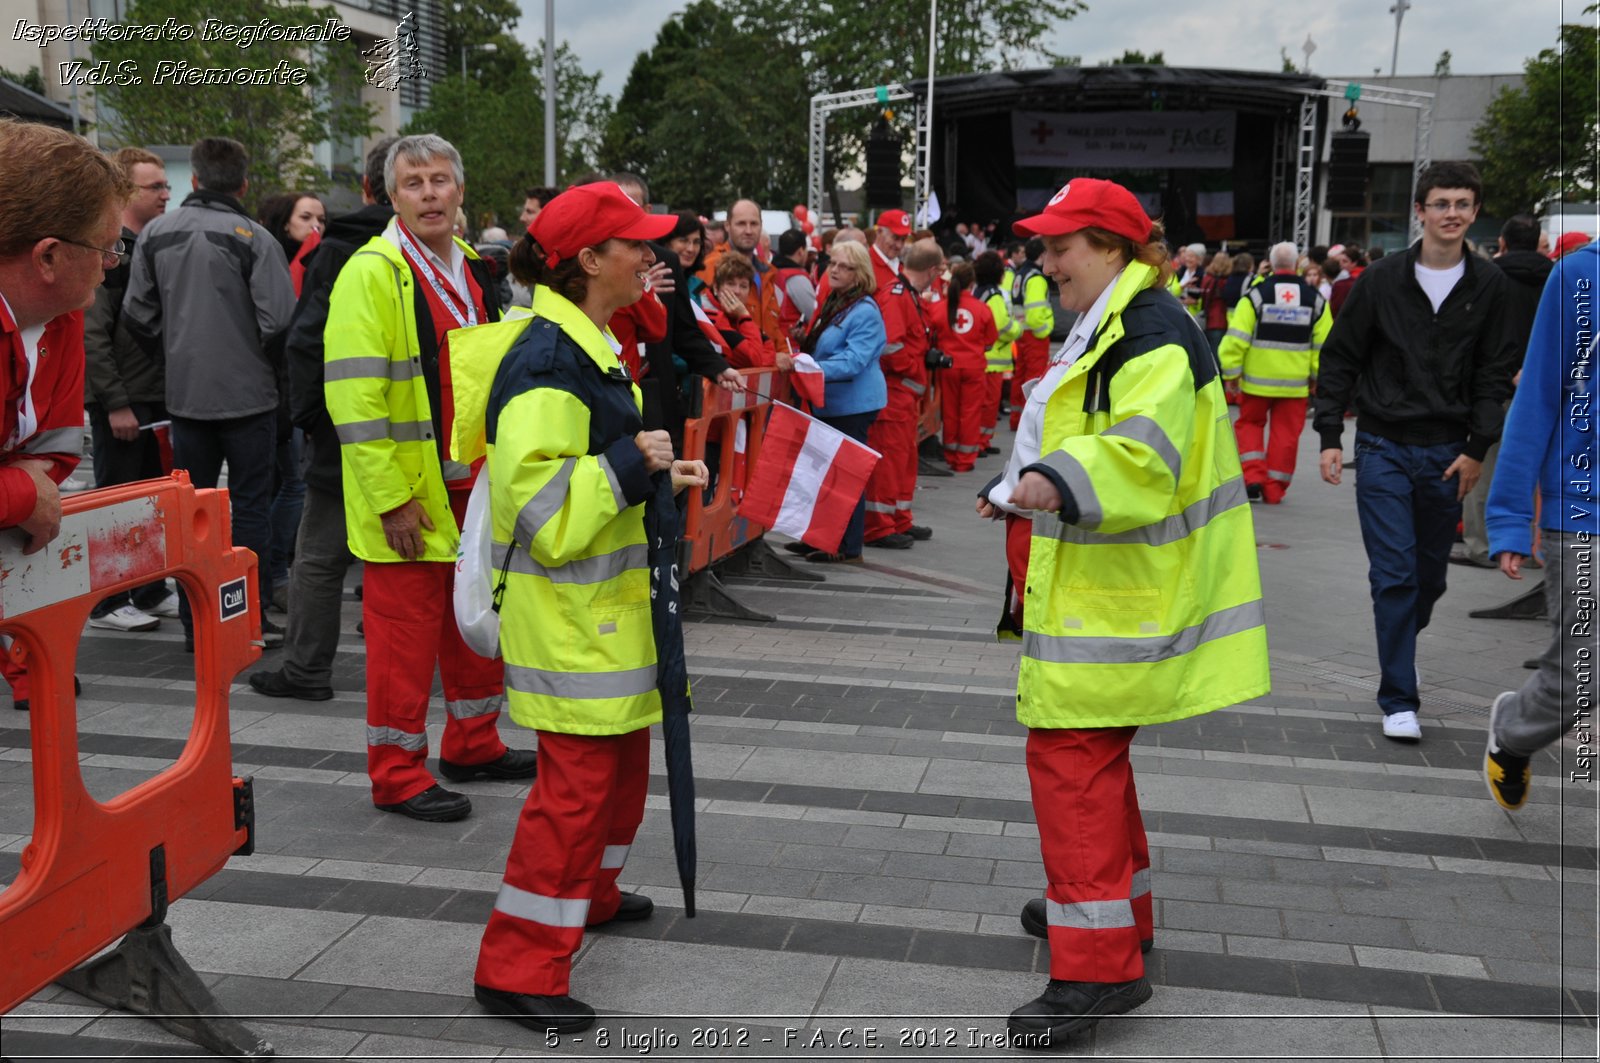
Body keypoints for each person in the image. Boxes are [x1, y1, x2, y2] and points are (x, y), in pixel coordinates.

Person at [975, 177, 1268, 1048]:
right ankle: (1112, 918)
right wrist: (1024, 485)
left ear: (1111, 247)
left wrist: (1049, 481)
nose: (1046, 260)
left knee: (1070, 758)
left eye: (1062, 245)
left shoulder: (1147, 334)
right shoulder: (1125, 319)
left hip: (1124, 597)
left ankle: (1097, 969)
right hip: (1114, 590)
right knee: (1093, 758)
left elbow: (1141, 455)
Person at [451, 181, 708, 1033]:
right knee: (576, 792)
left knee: (616, 777)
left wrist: (656, 475)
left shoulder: (587, 342)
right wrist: (634, 466)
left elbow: (586, 475)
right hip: (572, 622)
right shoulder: (549, 362)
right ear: (589, 260)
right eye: (635, 243)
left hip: (603, 614)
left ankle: (588, 894)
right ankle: (518, 963)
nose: (653, 255)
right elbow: (542, 513)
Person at [324, 134, 535, 822]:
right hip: (410, 493)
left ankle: (473, 740)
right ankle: (396, 772)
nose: (429, 193)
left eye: (440, 180)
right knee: (403, 642)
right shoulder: (372, 272)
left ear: (461, 191)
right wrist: (391, 498)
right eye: (413, 183)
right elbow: (355, 401)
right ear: (391, 196)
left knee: (475, 620)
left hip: (472, 485)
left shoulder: (475, 268)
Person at [1314, 161, 1521, 742]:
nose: (1451, 213)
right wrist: (1331, 436)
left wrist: (1479, 447)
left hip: (1450, 454)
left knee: (1430, 580)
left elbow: (1494, 371)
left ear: (1475, 212)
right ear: (1420, 211)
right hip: (1381, 446)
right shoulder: (1380, 282)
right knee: (1395, 576)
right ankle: (1398, 695)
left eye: (1462, 203)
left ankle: (1400, 645)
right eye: (1440, 203)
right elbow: (1341, 358)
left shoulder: (1491, 286)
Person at [123, 136, 296, 651]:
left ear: (193, 181)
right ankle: (250, 619)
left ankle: (196, 626)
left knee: (191, 514)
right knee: (250, 510)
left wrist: (174, 358)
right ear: (242, 183)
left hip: (186, 400)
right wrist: (257, 366)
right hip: (251, 401)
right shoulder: (255, 238)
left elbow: (137, 315)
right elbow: (280, 321)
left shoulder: (155, 234)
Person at [248, 137, 396, 703]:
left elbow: (307, 339)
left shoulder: (335, 249)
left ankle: (307, 669)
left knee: (320, 554)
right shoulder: (441, 250)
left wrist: (309, 415)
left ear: (365, 186)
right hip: (421, 433)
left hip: (345, 430)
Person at [0, 120, 132, 712]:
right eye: (107, 247)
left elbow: (52, 448)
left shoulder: (63, 312)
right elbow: (32, 488)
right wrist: (21, 498)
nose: (112, 264)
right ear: (48, 256)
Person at [1481, 238, 1599, 809]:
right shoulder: (1579, 276)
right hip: (1582, 508)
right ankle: (1514, 732)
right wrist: (1505, 517)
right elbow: (1538, 400)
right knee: (1584, 672)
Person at [84, 146, 179, 633]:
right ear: (126, 190)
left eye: (165, 185)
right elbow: (92, 332)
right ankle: (105, 601)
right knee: (114, 501)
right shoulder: (110, 249)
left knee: (149, 500)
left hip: (154, 397)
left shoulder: (149, 245)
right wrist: (115, 403)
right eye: (154, 186)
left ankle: (147, 588)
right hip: (124, 402)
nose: (166, 193)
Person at [1455, 213, 1552, 568]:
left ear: (1503, 243)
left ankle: (1482, 546)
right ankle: (1528, 545)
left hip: (1493, 387)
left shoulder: (1487, 279)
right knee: (1534, 472)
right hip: (1544, 388)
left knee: (1483, 465)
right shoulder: (1558, 278)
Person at [257, 191, 327, 611]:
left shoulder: (319, 261)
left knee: (289, 482)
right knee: (290, 483)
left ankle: (277, 568)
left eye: (320, 218)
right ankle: (276, 570)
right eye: (306, 217)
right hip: (274, 391)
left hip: (293, 390)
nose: (315, 226)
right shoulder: (276, 263)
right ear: (286, 223)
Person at [1219, 241, 1331, 504]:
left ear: (1270, 262)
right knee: (1286, 436)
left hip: (1256, 383)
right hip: (1294, 385)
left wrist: (1231, 375)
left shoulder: (1256, 296)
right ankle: (1274, 489)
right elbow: (1323, 346)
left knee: (1249, 425)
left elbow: (1236, 339)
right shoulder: (1316, 300)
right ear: (1297, 264)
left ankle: (1254, 477)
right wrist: (1317, 378)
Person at [796, 239, 886, 563]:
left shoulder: (864, 310)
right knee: (827, 475)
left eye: (844, 266)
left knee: (845, 476)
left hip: (853, 403)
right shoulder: (838, 300)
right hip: (832, 401)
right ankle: (821, 539)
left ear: (859, 273)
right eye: (832, 263)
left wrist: (807, 366)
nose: (834, 269)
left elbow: (853, 361)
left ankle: (847, 548)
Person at [863, 216, 932, 548]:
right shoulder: (884, 276)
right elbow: (889, 344)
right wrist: (912, 369)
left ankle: (898, 519)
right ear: (879, 232)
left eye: (904, 238)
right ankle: (880, 525)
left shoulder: (892, 274)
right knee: (889, 459)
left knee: (903, 457)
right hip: (894, 387)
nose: (899, 243)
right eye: (895, 236)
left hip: (903, 391)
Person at [936, 260, 997, 471]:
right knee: (970, 412)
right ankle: (965, 459)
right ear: (972, 282)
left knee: (950, 411)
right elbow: (990, 341)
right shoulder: (982, 309)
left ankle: (951, 453)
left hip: (948, 368)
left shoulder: (939, 307)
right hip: (974, 367)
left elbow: (933, 335)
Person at [699, 199, 781, 344]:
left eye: (754, 224)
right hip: (734, 362)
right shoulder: (711, 266)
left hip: (766, 361)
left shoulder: (767, 271)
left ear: (761, 226)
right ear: (727, 226)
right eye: (741, 224)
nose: (748, 231)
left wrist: (783, 353)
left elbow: (775, 327)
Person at [973, 250, 1022, 455]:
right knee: (988, 404)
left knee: (982, 404)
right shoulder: (994, 295)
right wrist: (1017, 329)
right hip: (993, 360)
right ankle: (981, 441)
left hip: (985, 358)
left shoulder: (979, 291)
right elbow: (1001, 325)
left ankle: (981, 440)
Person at [1009, 236, 1055, 430]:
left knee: (1020, 376)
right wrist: (1045, 330)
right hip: (1035, 336)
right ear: (1042, 254)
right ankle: (1028, 422)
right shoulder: (1036, 278)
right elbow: (1035, 315)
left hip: (1022, 335)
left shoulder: (1020, 274)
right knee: (1033, 379)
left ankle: (1016, 419)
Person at [701, 253, 775, 368]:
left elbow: (769, 351)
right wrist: (744, 316)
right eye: (731, 284)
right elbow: (753, 359)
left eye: (743, 286)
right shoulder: (709, 314)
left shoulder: (737, 314)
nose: (737, 291)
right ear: (716, 287)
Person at [771, 228, 816, 344]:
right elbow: (813, 314)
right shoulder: (797, 278)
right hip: (792, 343)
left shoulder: (771, 272)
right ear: (801, 251)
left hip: (775, 339)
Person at [1199, 249, 1232, 354]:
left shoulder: (1207, 278)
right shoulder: (1227, 282)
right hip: (1221, 321)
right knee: (1218, 355)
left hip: (1207, 320)